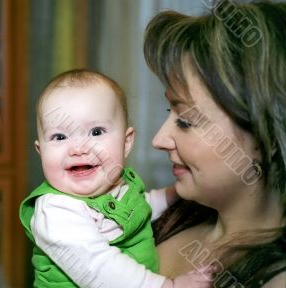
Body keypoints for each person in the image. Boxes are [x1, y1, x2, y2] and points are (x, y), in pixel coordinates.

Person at [20, 69, 212, 287]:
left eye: (96, 132)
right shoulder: (56, 210)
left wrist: (174, 193)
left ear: (126, 142)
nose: (78, 148)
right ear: (40, 151)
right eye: (60, 137)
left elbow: (137, 208)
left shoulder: (119, 187)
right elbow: (99, 269)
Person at [142, 0, 286, 287]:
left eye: (186, 121)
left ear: (264, 136)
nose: (158, 140)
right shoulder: (162, 218)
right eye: (170, 112)